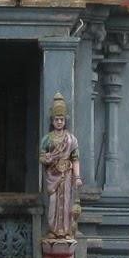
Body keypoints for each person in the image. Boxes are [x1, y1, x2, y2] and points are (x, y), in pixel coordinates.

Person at [40, 92, 81, 240]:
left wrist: (77, 177)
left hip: (67, 175)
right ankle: (53, 230)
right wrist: (49, 159)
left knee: (67, 202)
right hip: (53, 175)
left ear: (65, 121)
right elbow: (42, 157)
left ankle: (66, 231)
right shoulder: (47, 139)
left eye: (61, 119)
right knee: (53, 204)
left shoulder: (71, 139)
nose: (59, 122)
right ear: (52, 120)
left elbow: (75, 158)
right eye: (56, 119)